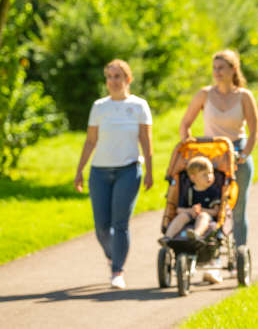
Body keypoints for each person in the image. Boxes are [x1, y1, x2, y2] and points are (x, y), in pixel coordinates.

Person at [179, 50, 258, 283]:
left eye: (222, 68)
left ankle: (238, 256)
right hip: (212, 157)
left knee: (237, 209)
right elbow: (185, 123)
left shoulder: (244, 96)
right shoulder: (204, 95)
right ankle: (211, 258)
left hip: (237, 155)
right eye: (214, 68)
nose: (217, 72)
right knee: (213, 208)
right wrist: (189, 148)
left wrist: (244, 155)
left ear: (234, 69)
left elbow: (254, 131)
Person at [74, 59, 154, 290]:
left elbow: (146, 141)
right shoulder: (99, 106)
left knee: (120, 224)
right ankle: (112, 254)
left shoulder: (139, 106)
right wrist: (79, 170)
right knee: (101, 226)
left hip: (128, 170)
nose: (113, 81)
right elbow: (90, 141)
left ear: (128, 79)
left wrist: (149, 170)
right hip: (99, 171)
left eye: (117, 76)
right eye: (109, 77)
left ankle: (117, 270)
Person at [158, 156, 221, 244]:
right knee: (182, 216)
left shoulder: (214, 191)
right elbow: (179, 209)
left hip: (207, 218)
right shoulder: (189, 191)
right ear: (193, 177)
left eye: (211, 173)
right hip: (190, 216)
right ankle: (168, 237)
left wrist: (202, 211)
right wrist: (191, 211)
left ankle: (196, 234)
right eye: (204, 174)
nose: (209, 177)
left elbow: (215, 211)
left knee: (203, 216)